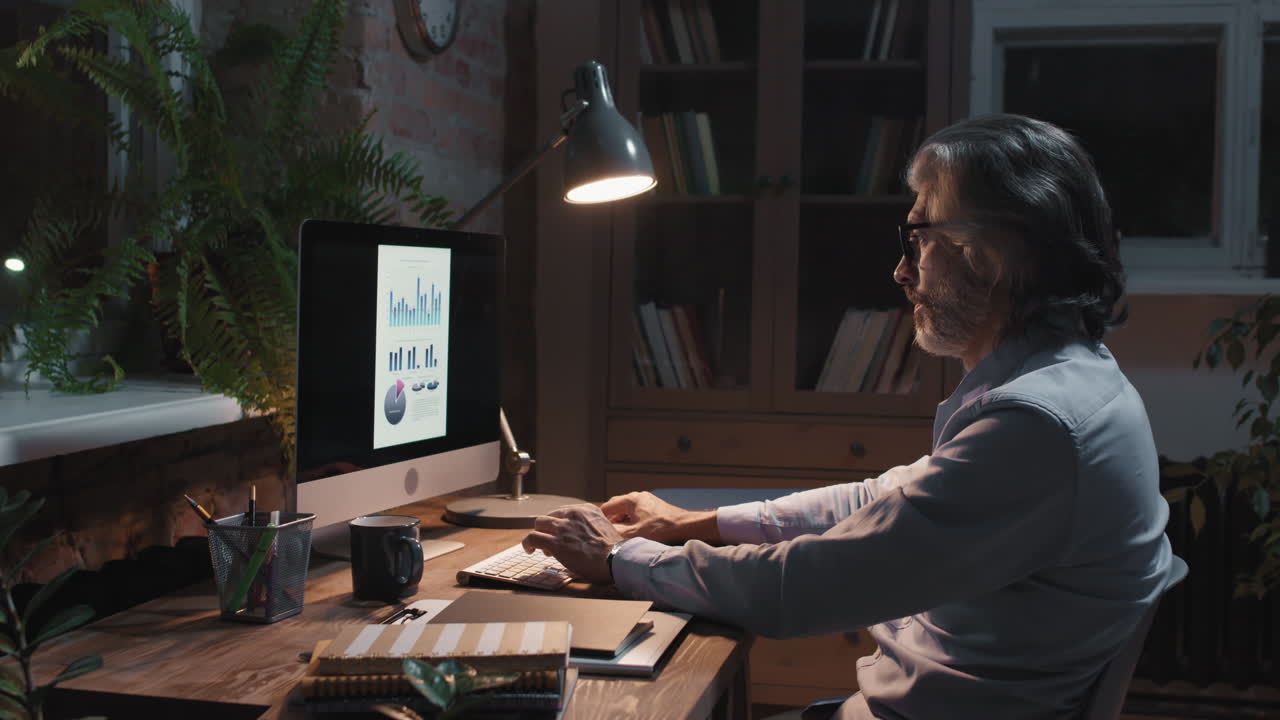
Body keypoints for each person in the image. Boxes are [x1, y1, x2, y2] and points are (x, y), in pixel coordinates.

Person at [522, 114, 1175, 719]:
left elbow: (810, 587)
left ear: (994, 250)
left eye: (919, 235)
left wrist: (619, 560)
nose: (901, 269)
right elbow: (883, 499)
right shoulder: (1068, 383)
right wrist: (694, 523)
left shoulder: (1038, 423)